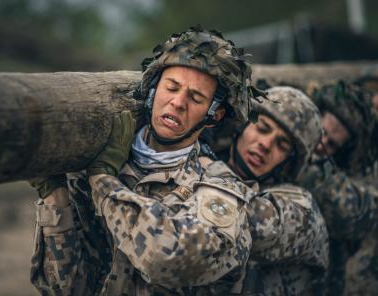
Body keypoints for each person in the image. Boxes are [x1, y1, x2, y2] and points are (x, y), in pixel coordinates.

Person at [28, 26, 265, 295]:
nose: (177, 102)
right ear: (153, 89)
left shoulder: (220, 188)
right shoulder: (91, 167)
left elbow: (165, 260)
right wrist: (54, 196)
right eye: (171, 87)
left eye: (196, 98)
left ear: (215, 115)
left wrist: (104, 182)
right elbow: (65, 289)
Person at [204, 86, 329, 295]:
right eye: (262, 128)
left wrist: (203, 163)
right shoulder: (210, 160)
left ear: (289, 164)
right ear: (241, 127)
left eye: (282, 144)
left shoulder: (302, 209)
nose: (265, 144)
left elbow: (239, 219)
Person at [297, 80, 378, 295]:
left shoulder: (344, 178)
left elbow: (355, 214)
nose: (321, 142)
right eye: (320, 132)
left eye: (331, 143)